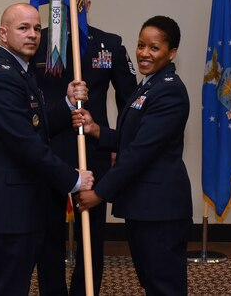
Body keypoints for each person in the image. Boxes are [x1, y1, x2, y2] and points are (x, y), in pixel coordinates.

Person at [0, 3, 94, 296]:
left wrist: (66, 105)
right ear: (3, 33)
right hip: (10, 209)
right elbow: (26, 145)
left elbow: (34, 125)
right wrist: (74, 179)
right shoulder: (1, 78)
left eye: (37, 29)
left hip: (24, 206)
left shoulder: (20, 71)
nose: (33, 35)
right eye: (23, 28)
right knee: (7, 289)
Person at [73, 16, 193, 296]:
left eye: (154, 48)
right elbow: (133, 139)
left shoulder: (169, 91)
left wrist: (99, 193)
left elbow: (140, 152)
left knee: (165, 285)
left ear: (171, 52)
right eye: (141, 45)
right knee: (152, 282)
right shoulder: (149, 85)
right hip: (145, 206)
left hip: (160, 209)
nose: (144, 53)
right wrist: (96, 130)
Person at [33, 0, 138, 296]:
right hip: (49, 153)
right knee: (48, 237)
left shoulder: (109, 45)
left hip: (92, 154)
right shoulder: (38, 45)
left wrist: (118, 142)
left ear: (87, 5)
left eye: (79, 1)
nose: (73, 8)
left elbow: (130, 103)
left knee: (92, 240)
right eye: (64, 3)